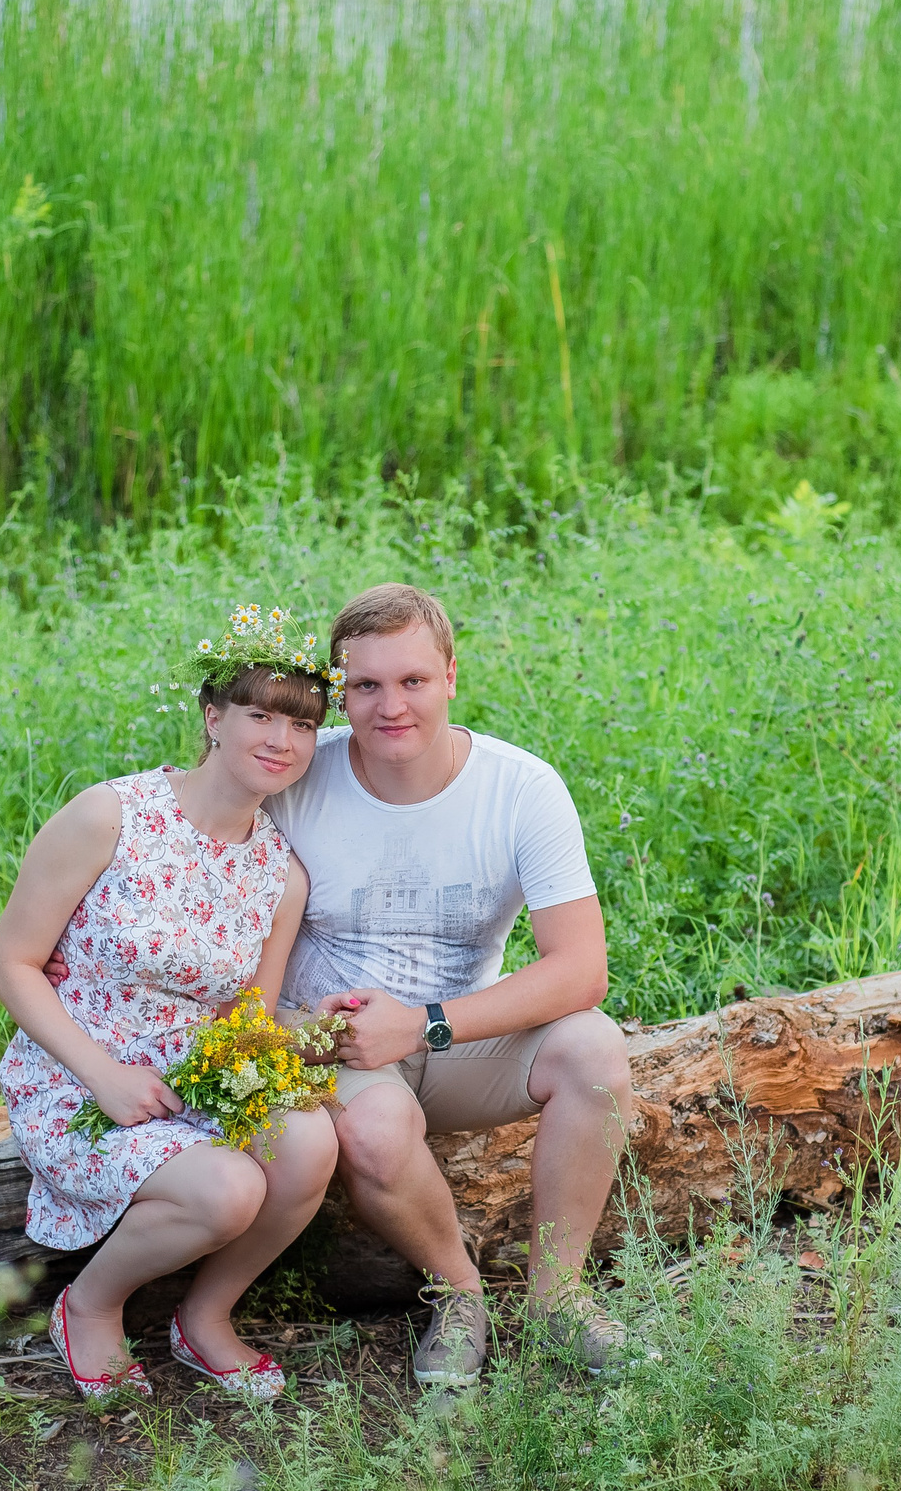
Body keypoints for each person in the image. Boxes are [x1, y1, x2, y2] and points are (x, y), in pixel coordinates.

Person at [269, 583, 634, 1387]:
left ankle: (557, 1298)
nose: (389, 705)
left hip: (459, 1037)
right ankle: (458, 1292)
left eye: (413, 681)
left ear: (451, 677)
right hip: (343, 1043)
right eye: (364, 686)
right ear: (339, 691)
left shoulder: (520, 789)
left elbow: (582, 968)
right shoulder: (298, 778)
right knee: (373, 1129)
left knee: (596, 1049)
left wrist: (427, 1023)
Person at [0, 609, 340, 1401]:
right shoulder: (112, 816)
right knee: (231, 1189)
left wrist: (316, 1035)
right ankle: (89, 1306)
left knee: (311, 1142)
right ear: (213, 718)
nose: (281, 739)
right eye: (260, 715)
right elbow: (10, 963)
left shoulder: (281, 877)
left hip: (194, 1080)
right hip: (78, 1080)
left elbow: (246, 1019)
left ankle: (205, 1316)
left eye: (302, 724)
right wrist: (104, 1073)